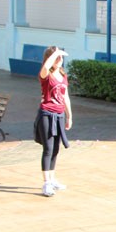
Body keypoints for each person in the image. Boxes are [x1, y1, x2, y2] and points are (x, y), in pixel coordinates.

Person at [34, 46, 73, 197]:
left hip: (59, 114)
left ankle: (52, 178)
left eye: (61, 57)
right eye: (56, 57)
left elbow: (65, 96)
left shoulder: (62, 75)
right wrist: (55, 53)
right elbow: (45, 67)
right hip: (46, 114)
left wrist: (69, 116)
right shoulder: (45, 74)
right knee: (48, 148)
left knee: (56, 148)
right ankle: (46, 183)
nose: (59, 60)